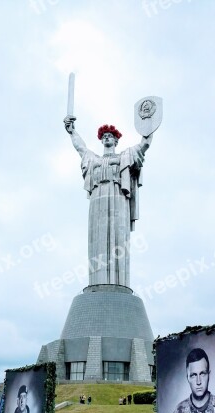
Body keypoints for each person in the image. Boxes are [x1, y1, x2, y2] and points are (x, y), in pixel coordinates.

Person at [64, 116, 153, 288]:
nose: (106, 138)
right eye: (104, 136)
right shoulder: (93, 159)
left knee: (118, 238)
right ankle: (98, 283)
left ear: (116, 140)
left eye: (110, 136)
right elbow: (80, 148)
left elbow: (143, 146)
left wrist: (148, 129)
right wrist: (72, 132)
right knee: (97, 240)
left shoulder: (124, 157)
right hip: (97, 200)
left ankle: (118, 283)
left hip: (118, 198)